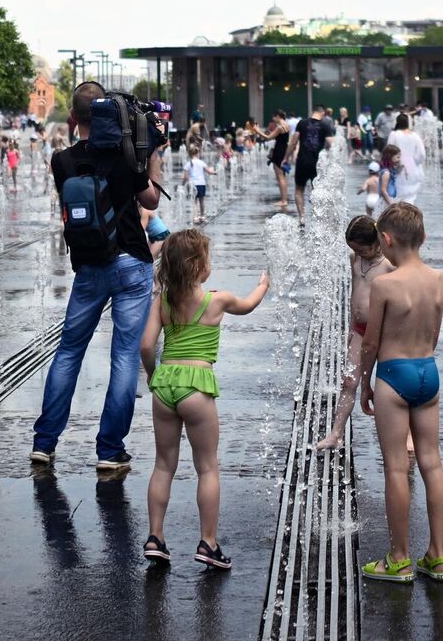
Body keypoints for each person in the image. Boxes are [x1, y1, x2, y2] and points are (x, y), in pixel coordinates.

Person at [31, 82, 165, 473]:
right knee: (123, 356)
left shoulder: (61, 161)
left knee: (68, 352)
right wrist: (150, 153)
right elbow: (152, 201)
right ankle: (109, 450)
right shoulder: (125, 159)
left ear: (74, 119)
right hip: (130, 266)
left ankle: (44, 443)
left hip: (88, 266)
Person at [140, 229, 268, 571]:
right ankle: (208, 543)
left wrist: (153, 375)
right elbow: (250, 304)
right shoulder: (217, 300)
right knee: (208, 466)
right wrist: (264, 285)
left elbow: (146, 346)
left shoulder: (162, 301)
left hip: (165, 383)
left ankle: (155, 537)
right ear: (199, 266)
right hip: (197, 386)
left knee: (164, 464)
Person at [357, 201, 443, 584]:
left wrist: (365, 381)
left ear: (387, 240)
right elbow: (435, 332)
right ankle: (438, 557)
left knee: (397, 467)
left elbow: (371, 342)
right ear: (424, 237)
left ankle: (398, 558)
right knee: (432, 463)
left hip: (393, 374)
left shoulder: (384, 284)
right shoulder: (438, 279)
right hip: (428, 371)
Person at [315, 216, 389, 451]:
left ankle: (405, 434)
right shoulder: (355, 258)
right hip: (359, 330)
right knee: (349, 382)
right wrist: (350, 326)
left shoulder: (389, 264)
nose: (358, 253)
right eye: (354, 250)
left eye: (361, 249)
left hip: (385, 331)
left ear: (376, 242)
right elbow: (354, 293)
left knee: (391, 386)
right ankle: (335, 434)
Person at [286, 105, 335, 208]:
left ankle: (301, 218)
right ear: (322, 113)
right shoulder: (325, 125)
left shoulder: (302, 123)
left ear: (313, 112)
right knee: (317, 191)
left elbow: (293, 142)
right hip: (317, 164)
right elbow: (332, 145)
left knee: (299, 189)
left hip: (302, 161)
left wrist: (286, 158)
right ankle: (316, 216)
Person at [386, 113, 425, 206]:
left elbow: (389, 151)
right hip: (413, 168)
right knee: (410, 197)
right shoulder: (415, 136)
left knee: (398, 196)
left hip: (398, 167)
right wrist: (415, 162)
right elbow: (422, 154)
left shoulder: (394, 135)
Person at [185, 143, 209, 223]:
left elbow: (186, 177)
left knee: (194, 201)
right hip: (201, 184)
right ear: (197, 153)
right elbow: (208, 171)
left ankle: (195, 216)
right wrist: (215, 172)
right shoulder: (201, 162)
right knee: (201, 201)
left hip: (193, 185)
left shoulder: (188, 163)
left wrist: (182, 184)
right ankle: (202, 216)